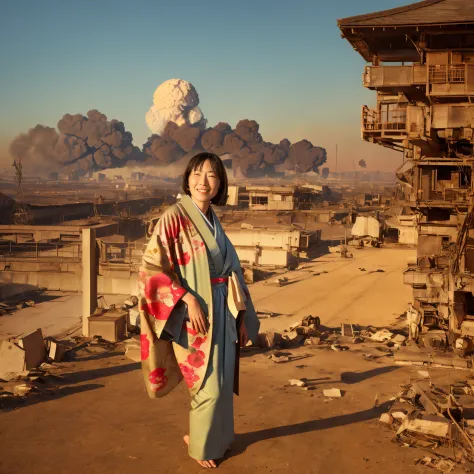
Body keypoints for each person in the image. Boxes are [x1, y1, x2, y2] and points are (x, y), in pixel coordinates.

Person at [138, 152, 260, 469]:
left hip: (224, 309)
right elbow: (151, 268)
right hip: (193, 314)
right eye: (196, 173)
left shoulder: (213, 221)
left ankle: (212, 437)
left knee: (221, 380)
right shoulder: (173, 217)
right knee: (205, 383)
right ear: (187, 179)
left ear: (220, 183)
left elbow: (234, 270)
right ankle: (202, 447)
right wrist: (186, 299)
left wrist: (243, 316)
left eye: (211, 175)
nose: (202, 181)